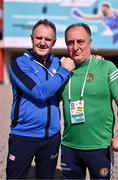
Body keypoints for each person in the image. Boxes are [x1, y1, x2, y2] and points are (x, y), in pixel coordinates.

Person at [60, 23, 118, 179]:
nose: (75, 47)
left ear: (90, 43)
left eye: (80, 41)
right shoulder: (63, 71)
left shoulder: (106, 67)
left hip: (100, 148)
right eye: (70, 43)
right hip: (69, 147)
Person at [6, 19, 75, 179]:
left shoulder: (59, 63)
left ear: (54, 42)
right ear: (32, 39)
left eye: (47, 39)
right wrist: (64, 71)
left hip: (51, 137)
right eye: (39, 38)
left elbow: (80, 68)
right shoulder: (19, 64)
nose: (42, 43)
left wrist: (96, 59)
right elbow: (39, 92)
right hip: (24, 136)